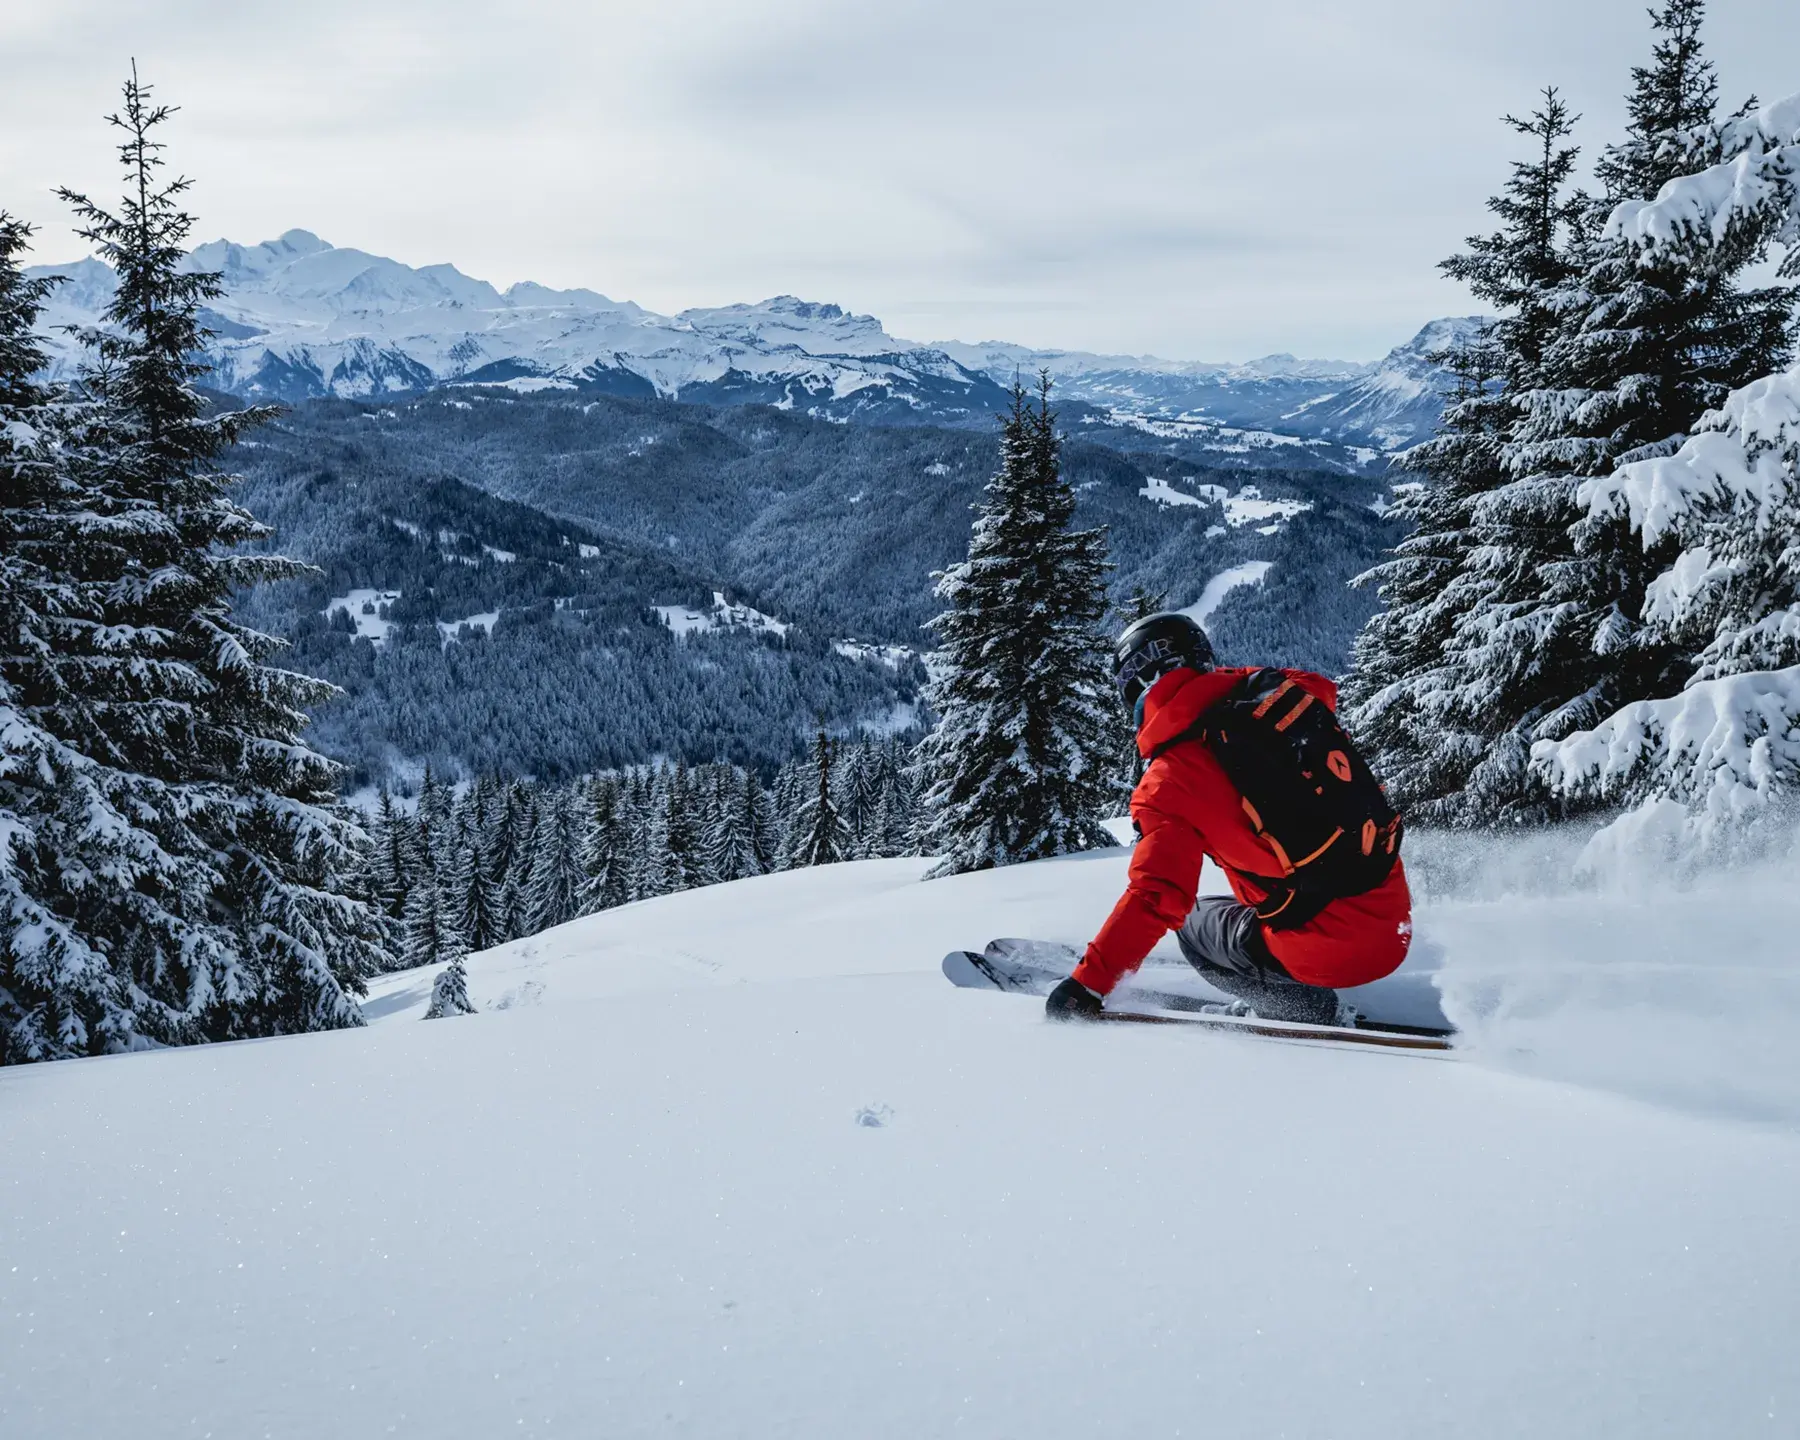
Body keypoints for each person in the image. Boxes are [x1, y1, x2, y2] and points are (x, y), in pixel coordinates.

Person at [1046, 612, 1411, 1026]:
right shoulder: (1289, 698)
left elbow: (1155, 896)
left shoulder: (1168, 782)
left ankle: (1302, 1009)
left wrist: (1087, 984)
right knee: (1245, 898)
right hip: (1394, 923)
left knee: (1193, 926)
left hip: (1324, 956)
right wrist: (1224, 682)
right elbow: (1320, 685)